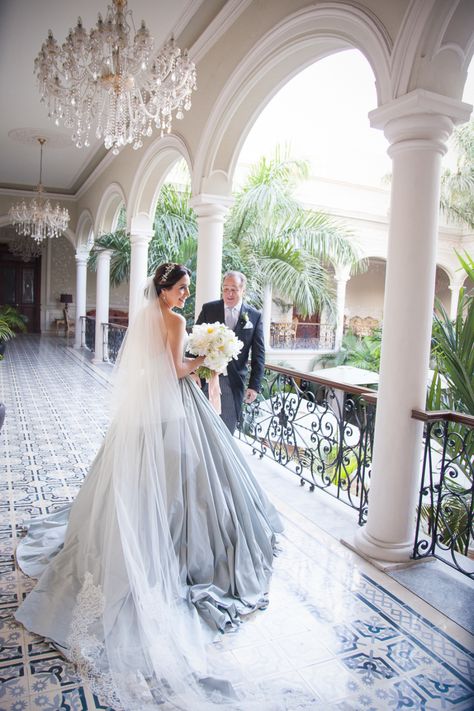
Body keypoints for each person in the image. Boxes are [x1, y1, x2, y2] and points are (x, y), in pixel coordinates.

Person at [14, 263, 283, 711]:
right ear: (164, 290)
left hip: (144, 409)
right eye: (180, 289)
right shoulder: (175, 320)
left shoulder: (143, 317)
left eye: (186, 289)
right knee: (183, 475)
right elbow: (178, 369)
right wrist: (206, 360)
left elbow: (151, 365)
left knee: (143, 473)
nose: (184, 295)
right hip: (173, 406)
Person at [196, 271, 265, 433]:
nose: (229, 293)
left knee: (227, 431)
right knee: (202, 430)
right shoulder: (209, 309)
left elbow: (259, 355)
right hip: (206, 379)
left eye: (234, 289)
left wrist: (254, 386)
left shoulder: (254, 316)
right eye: (225, 289)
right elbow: (195, 342)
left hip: (233, 383)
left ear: (243, 290)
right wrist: (193, 372)